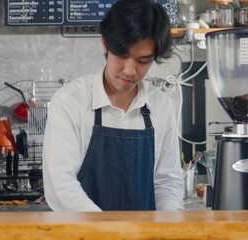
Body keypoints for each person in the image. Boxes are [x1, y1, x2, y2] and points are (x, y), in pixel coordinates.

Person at [42, 0, 184, 211]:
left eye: (143, 61)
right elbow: (60, 184)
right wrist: (107, 229)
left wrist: (167, 226)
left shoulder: (161, 106)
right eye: (122, 56)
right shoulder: (70, 101)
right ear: (105, 44)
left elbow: (167, 182)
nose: (130, 70)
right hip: (86, 234)